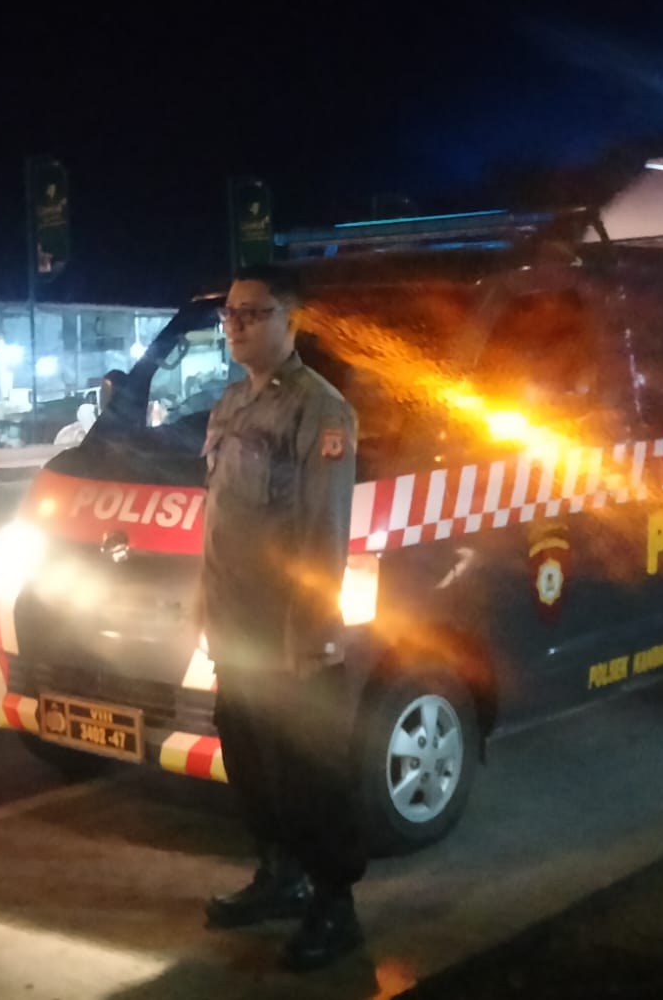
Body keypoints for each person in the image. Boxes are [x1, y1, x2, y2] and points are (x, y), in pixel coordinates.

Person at [199, 264, 366, 972]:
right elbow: (221, 519)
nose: (234, 325)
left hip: (287, 633)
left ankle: (335, 904)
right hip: (234, 627)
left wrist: (314, 636)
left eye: (252, 312)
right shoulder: (231, 404)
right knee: (251, 765)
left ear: (291, 321)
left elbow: (323, 534)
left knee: (306, 775)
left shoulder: (319, 410)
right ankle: (279, 876)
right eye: (229, 313)